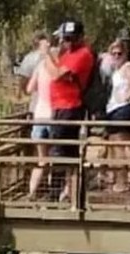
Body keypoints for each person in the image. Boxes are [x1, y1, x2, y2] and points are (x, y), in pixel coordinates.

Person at [39, 20, 96, 201]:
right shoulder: (68, 54)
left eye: (71, 39)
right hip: (60, 107)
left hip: (69, 108)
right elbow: (56, 69)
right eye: (65, 39)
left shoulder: (83, 54)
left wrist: (45, 54)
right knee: (66, 152)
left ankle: (55, 194)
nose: (68, 42)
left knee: (59, 152)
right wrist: (52, 55)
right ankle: (71, 195)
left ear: (80, 38)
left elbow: (56, 74)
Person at [105, 39, 130, 193]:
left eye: (119, 53)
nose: (116, 56)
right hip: (115, 110)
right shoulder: (116, 69)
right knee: (119, 146)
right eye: (113, 53)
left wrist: (126, 98)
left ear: (126, 54)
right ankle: (124, 179)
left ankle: (122, 182)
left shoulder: (127, 67)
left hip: (123, 110)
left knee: (120, 147)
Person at [26, 36, 56, 199]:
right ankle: (52, 191)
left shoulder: (39, 67)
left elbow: (29, 88)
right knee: (52, 156)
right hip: (52, 115)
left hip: (39, 115)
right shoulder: (55, 67)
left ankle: (32, 192)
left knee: (41, 159)